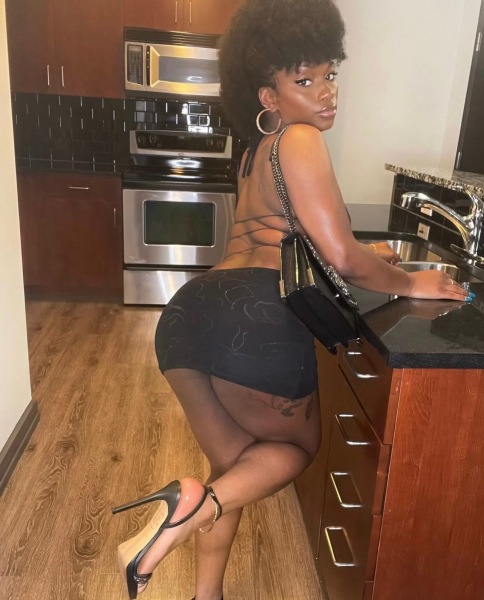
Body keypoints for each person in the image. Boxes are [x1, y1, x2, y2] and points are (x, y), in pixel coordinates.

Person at [112, 1, 473, 598]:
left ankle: (205, 592)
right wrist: (412, 283)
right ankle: (185, 515)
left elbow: (281, 235)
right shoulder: (301, 140)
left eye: (330, 74)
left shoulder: (255, 152)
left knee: (231, 475)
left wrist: (371, 253)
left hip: (188, 316)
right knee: (295, 449)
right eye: (304, 80)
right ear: (268, 96)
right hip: (252, 320)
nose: (326, 92)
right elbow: (339, 257)